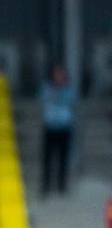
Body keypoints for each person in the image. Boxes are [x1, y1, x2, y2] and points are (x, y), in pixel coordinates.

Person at [40, 64, 76, 196]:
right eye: (56, 75)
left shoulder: (69, 89)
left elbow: (69, 100)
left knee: (63, 158)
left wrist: (58, 94)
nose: (58, 77)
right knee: (47, 158)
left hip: (64, 127)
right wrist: (54, 92)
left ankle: (61, 185)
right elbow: (43, 98)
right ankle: (46, 185)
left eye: (60, 75)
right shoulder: (46, 88)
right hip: (50, 127)